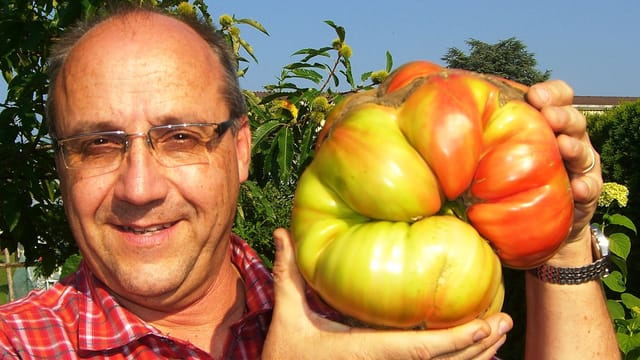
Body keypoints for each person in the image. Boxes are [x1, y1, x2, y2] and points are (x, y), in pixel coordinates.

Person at [0, 5, 619, 360]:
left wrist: (563, 235)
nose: (139, 187)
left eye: (182, 136)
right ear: (62, 166)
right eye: (98, 145)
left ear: (241, 149)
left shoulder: (367, 307)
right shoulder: (20, 345)